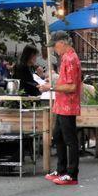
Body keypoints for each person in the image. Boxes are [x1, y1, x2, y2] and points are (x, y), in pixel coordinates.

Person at [40, 31, 82, 185]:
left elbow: (71, 86)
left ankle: (72, 174)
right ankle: (62, 169)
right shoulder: (66, 58)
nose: (54, 49)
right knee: (58, 136)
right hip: (62, 104)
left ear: (63, 43)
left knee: (69, 139)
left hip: (67, 104)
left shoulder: (70, 58)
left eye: (55, 45)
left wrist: (50, 87)